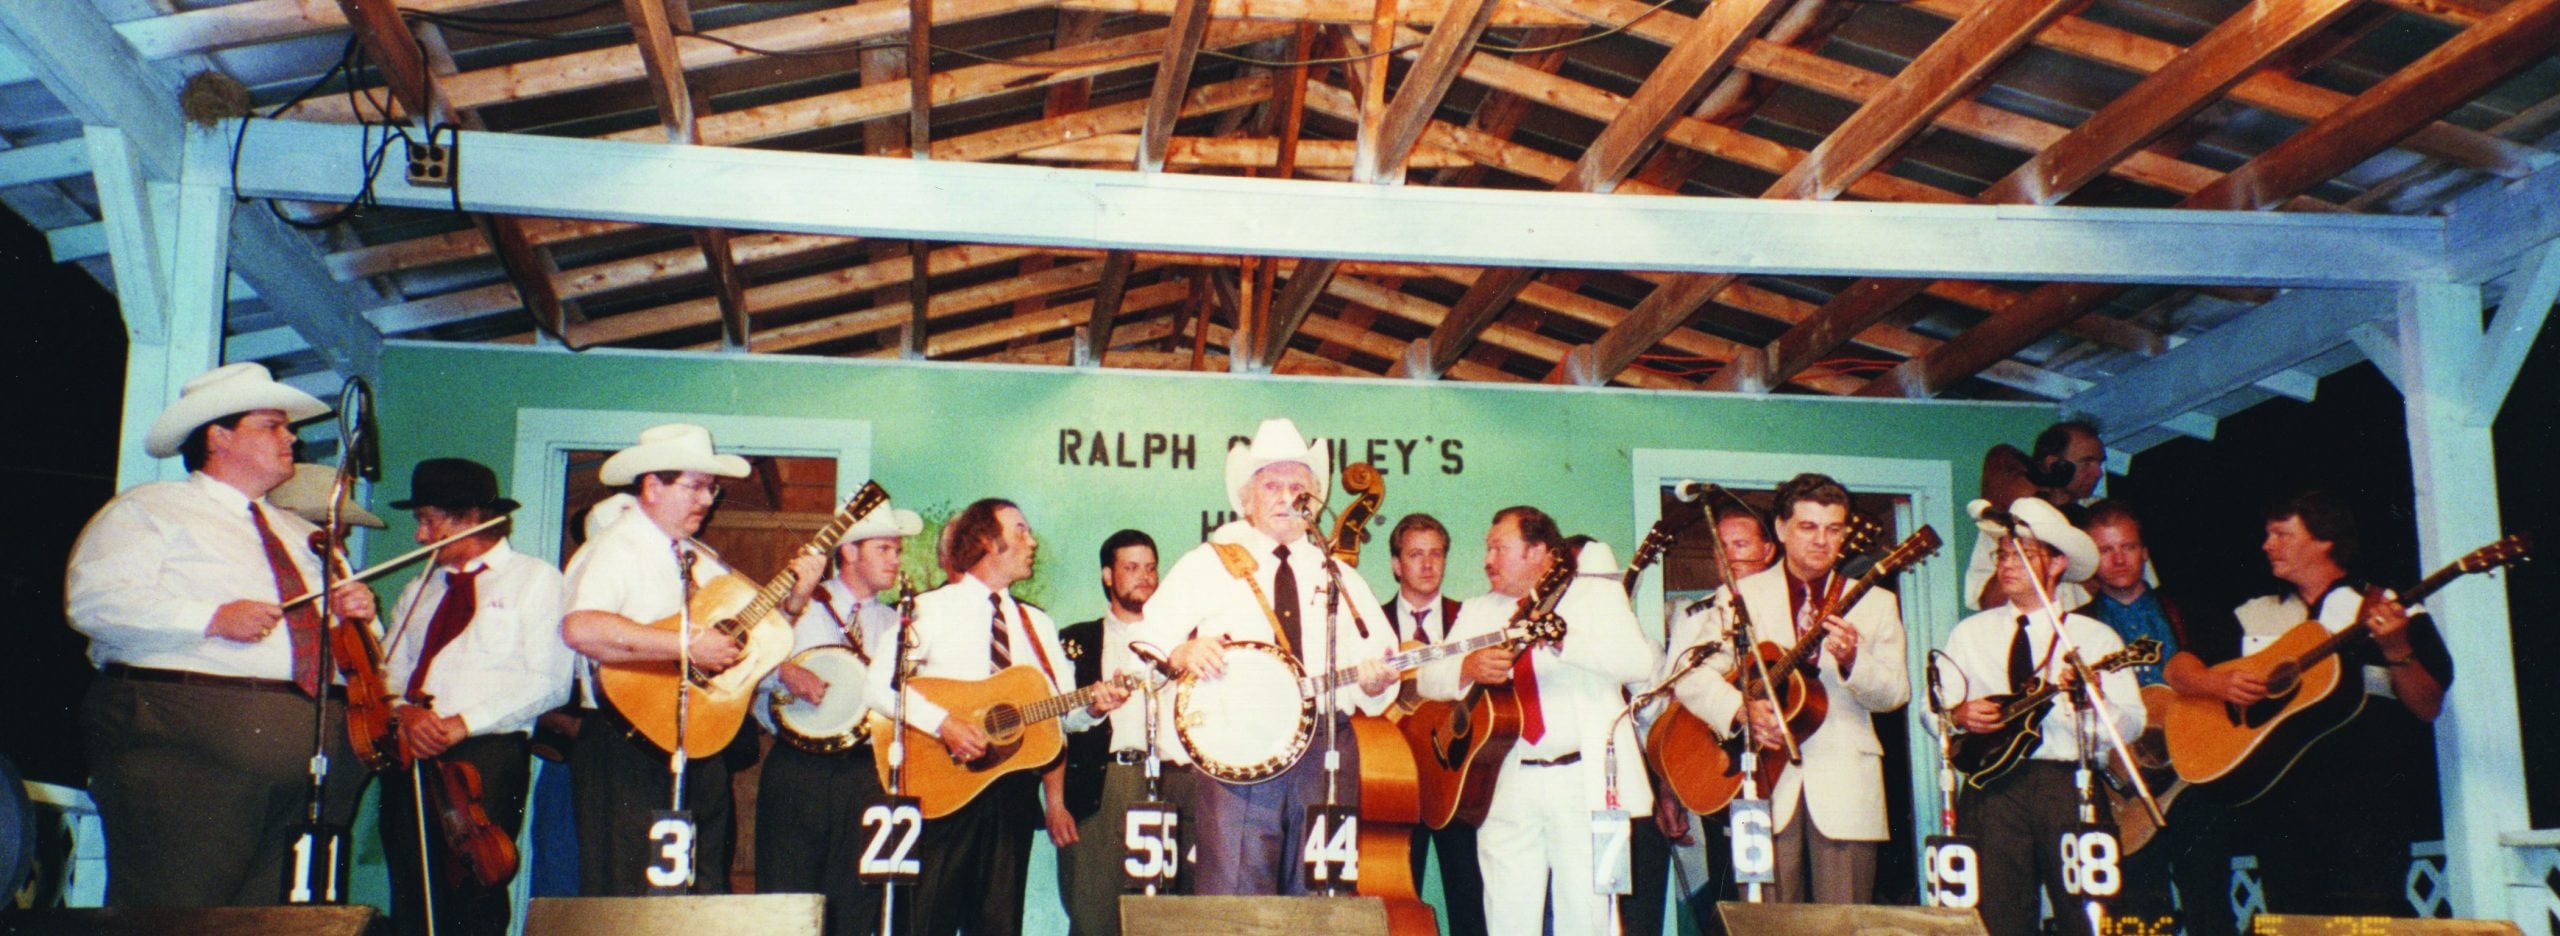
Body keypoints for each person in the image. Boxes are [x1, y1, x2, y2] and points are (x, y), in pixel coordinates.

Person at [66, 362, 379, 906]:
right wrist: (209, 617)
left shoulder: (303, 534)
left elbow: (359, 645)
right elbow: (95, 601)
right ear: (218, 435)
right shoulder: (149, 509)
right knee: (174, 908)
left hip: (311, 754)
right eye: (272, 426)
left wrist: (360, 614)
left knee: (270, 917)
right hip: (188, 746)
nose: (292, 439)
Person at [1136, 418, 1399, 896]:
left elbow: (1380, 658)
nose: (1285, 496)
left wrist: (1377, 679)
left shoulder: (1337, 571)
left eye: (1297, 486)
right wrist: (1182, 649)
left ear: (1313, 499)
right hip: (1237, 745)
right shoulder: (1209, 562)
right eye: (1272, 485)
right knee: (1235, 888)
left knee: (1321, 893)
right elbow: (1148, 637)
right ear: (1247, 499)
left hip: (1324, 748)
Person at [2161, 491, 2451, 920]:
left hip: (2365, 807)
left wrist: (2397, 648)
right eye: (2266, 534)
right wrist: (2214, 682)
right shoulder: (2255, 614)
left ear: (2325, 540)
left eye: (2281, 533)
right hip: (2279, 807)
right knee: (2291, 924)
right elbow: (2178, 668)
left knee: (2370, 925)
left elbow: (2428, 705)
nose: (2267, 544)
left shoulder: (2383, 607)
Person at [560, 423, 821, 896]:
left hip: (694, 742)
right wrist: (684, 644)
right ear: (652, 486)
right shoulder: (616, 548)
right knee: (630, 897)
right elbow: (581, 628)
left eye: (712, 487)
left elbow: (747, 638)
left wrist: (795, 600)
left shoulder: (698, 558)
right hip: (627, 742)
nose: (708, 499)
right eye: (695, 486)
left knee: (700, 890)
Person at [880, 498, 1126, 934]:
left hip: (1010, 792)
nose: (1032, 542)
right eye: (1020, 531)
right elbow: (878, 687)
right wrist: (946, 725)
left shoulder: (1037, 624)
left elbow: (1060, 714)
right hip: (942, 788)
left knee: (998, 924)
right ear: (985, 542)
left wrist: (1091, 706)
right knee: (925, 920)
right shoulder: (930, 609)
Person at [1419, 507, 1659, 936]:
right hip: (1503, 779)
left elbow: (1639, 662)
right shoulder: (1478, 610)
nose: (1487, 560)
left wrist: (1565, 640)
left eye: (1499, 548)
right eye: (1487, 547)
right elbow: (1427, 676)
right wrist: (1468, 667)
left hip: (1584, 783)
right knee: (1506, 918)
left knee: (1588, 918)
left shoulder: (1594, 596)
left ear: (1539, 552)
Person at [1671, 474, 1907, 906]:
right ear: (1781, 529)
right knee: (1764, 923)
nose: (1822, 540)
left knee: (1845, 924)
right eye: (1808, 527)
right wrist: (1739, 709)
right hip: (1760, 781)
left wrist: (1855, 660)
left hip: (1846, 784)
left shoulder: (1875, 602)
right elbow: (1688, 672)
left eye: (1833, 529)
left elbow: (1894, 693)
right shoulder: (1741, 595)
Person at [378, 458, 571, 936]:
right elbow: (388, 671)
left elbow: (549, 680)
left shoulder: (535, 579)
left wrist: (461, 723)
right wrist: (402, 713)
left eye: (428, 520)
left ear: (471, 517)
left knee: (476, 885)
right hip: (411, 750)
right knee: (409, 885)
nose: (420, 536)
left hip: (486, 753)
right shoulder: (418, 587)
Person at [1939, 498, 2144, 936]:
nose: (2008, 564)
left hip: (2066, 783)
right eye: (2003, 555)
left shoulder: (2093, 636)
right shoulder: (1969, 633)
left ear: (2057, 564)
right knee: (1997, 912)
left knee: (2088, 911)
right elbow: (1931, 708)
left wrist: (2090, 699)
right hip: (1990, 786)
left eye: (2024, 555)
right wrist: (1959, 714)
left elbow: (2131, 724)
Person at [752, 497, 922, 936]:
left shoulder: (895, 623)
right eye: (884, 549)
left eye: (897, 551)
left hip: (866, 771)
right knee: (787, 898)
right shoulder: (796, 605)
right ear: (848, 552)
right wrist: (783, 671)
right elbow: (742, 665)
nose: (895, 560)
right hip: (798, 768)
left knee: (856, 899)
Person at [1053, 529, 1195, 935]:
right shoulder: (1077, 640)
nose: (1145, 577)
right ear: (1107, 576)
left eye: (1151, 568)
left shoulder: (1187, 640)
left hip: (1179, 784)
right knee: (1095, 913)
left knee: (1175, 917)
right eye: (1132, 568)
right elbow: (1057, 726)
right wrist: (1056, 802)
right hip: (1105, 785)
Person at [1657, 507, 1779, 931]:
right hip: (1718, 772)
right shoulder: (1695, 618)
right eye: (1720, 547)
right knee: (1728, 902)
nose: (1728, 557)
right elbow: (1673, 711)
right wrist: (1668, 789)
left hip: (1784, 775)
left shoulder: (1791, 606)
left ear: (1768, 550)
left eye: (1740, 546)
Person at [1379, 512, 1485, 936]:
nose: (1427, 564)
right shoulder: (1369, 624)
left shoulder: (1471, 619)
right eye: (1415, 554)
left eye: (1436, 554)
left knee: (1471, 900)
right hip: (1393, 781)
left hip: (1455, 775)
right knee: (1395, 900)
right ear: (1395, 564)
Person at [1965, 421, 2107, 611]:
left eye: (2099, 463)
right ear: (2053, 464)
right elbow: (1988, 603)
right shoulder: (2006, 522)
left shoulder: (2101, 519)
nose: (2097, 472)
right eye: (2086, 463)